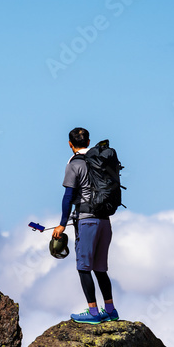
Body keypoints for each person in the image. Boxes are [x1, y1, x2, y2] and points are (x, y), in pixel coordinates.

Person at [52, 127, 119, 324]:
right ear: (89, 142)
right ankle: (110, 310)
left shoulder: (74, 164)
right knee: (100, 269)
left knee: (83, 267)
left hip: (86, 220)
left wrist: (62, 224)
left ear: (70, 144)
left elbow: (67, 197)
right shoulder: (101, 161)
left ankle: (93, 313)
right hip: (104, 220)